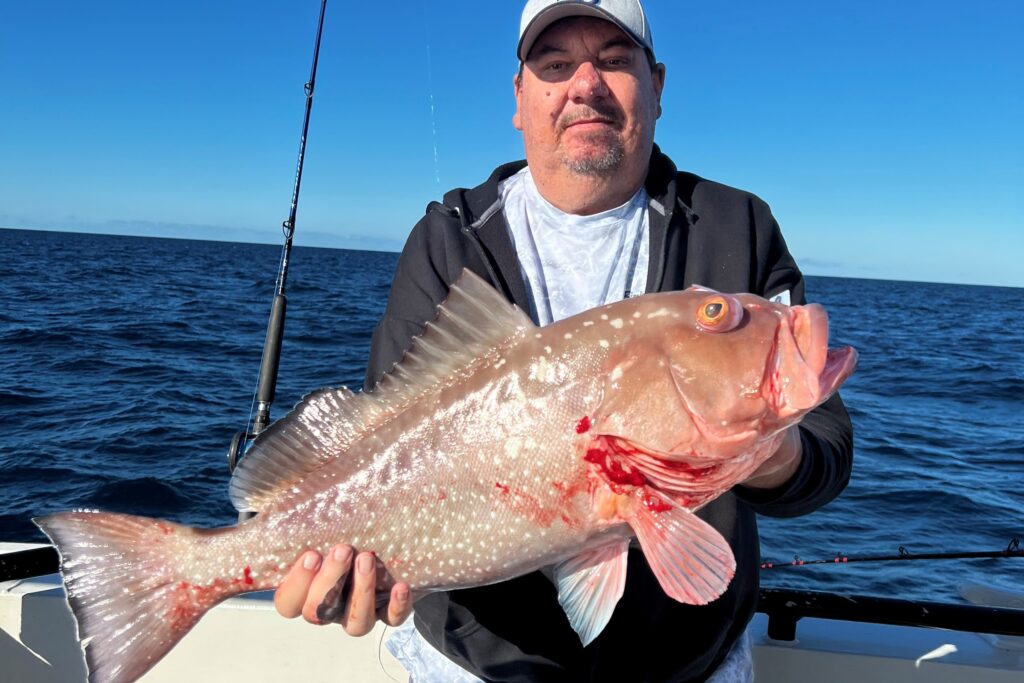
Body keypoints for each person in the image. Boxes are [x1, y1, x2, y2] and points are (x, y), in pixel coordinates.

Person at [274, 1, 854, 681]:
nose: (586, 84)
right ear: (519, 99)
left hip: (690, 663)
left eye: (614, 59)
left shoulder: (737, 226)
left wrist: (759, 445)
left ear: (658, 85)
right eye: (555, 65)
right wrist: (344, 571)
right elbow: (388, 439)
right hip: (475, 663)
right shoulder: (451, 237)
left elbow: (826, 457)